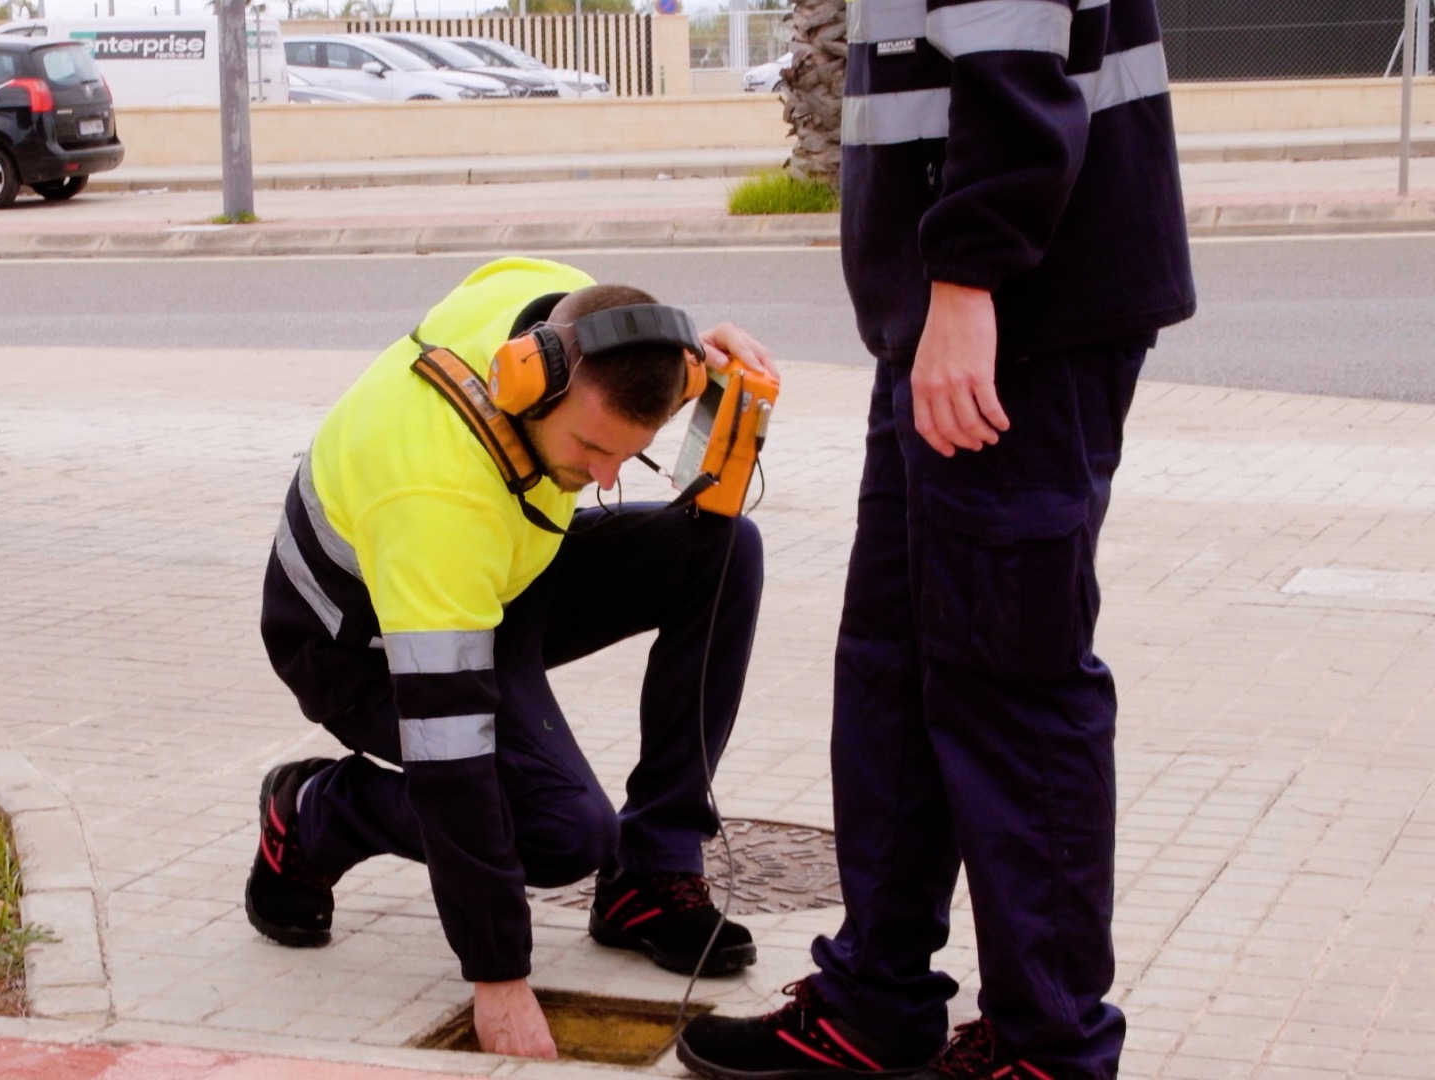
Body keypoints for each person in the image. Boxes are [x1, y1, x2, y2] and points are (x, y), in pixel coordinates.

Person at [676, 0, 1196, 1078]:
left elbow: (1011, 52)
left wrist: (970, 276)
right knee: (897, 669)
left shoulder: (983, 288)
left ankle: (1049, 1046)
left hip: (1010, 318)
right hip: (956, 318)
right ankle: (877, 1002)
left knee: (1010, 683)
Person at [248, 256, 780, 1059]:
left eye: (624, 455)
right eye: (592, 448)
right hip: (363, 643)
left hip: (503, 572)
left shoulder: (558, 316)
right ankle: (317, 813)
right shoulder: (435, 498)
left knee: (722, 550)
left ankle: (650, 875)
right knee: (561, 833)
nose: (605, 479)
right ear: (529, 385)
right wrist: (499, 977)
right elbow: (450, 760)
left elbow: (629, 346)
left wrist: (697, 367)